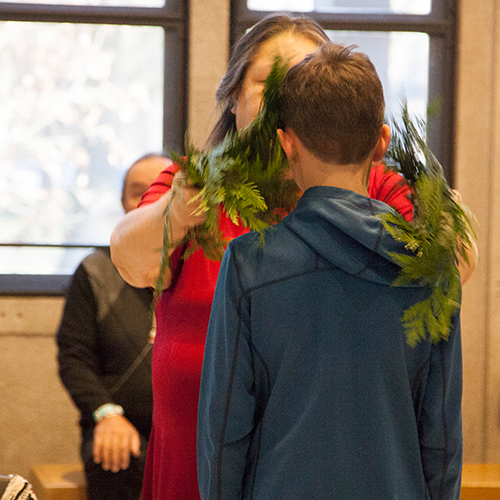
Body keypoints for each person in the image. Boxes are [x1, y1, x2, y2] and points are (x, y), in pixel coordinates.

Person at [110, 13, 469, 500]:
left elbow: (451, 265)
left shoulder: (376, 184)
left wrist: (444, 216)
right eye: (265, 81)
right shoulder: (197, 181)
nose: (281, 95)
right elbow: (130, 260)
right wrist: (176, 212)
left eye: (297, 78)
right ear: (233, 96)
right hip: (194, 461)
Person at [197, 42, 463, 500]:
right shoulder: (430, 268)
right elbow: (440, 440)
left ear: (287, 143)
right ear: (382, 142)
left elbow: (224, 434)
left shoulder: (248, 264)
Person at [57, 153, 171, 500]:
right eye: (138, 191)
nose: (147, 200)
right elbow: (74, 358)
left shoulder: (206, 265)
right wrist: (106, 416)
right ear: (123, 202)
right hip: (119, 425)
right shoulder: (95, 271)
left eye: (160, 189)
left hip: (187, 427)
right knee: (118, 457)